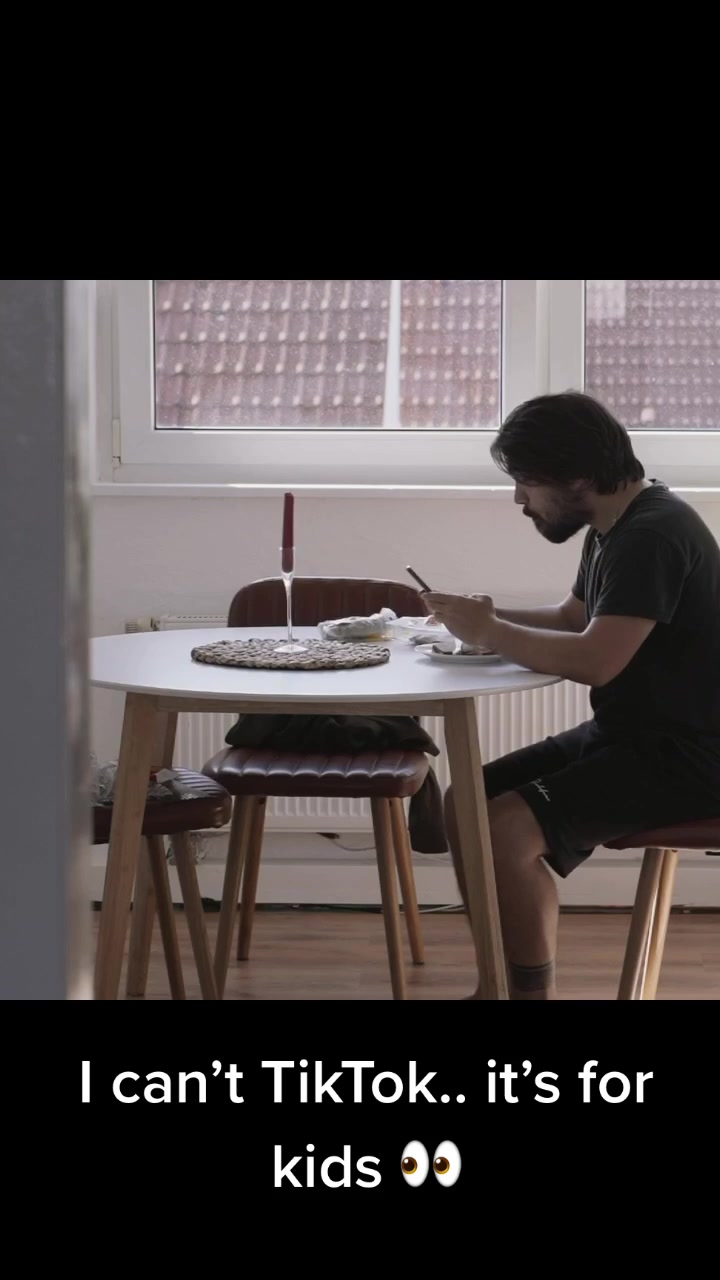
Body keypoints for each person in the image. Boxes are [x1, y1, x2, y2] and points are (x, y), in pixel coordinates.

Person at [425, 391, 720, 1001]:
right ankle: (498, 985)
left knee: (502, 829)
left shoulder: (653, 535)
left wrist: (491, 632)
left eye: (526, 482)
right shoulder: (615, 524)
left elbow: (596, 661)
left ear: (577, 476)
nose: (519, 500)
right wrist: (476, 618)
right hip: (635, 735)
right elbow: (573, 618)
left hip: (692, 754)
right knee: (466, 803)